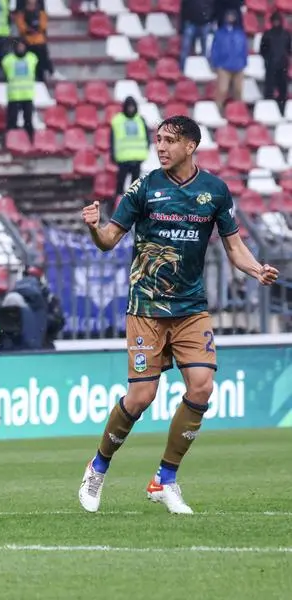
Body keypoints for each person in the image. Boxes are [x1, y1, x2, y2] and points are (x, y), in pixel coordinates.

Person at [77, 116, 279, 515]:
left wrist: (256, 269)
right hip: (147, 309)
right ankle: (97, 467)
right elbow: (108, 241)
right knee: (141, 396)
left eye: (170, 140)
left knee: (202, 387)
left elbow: (233, 246)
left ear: (191, 146)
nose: (161, 146)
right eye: (159, 139)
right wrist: (93, 227)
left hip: (190, 309)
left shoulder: (214, 191)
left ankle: (165, 478)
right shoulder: (144, 188)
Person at [110, 96, 149, 209]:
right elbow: (112, 139)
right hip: (123, 158)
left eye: (132, 107)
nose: (131, 109)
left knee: (135, 184)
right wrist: (113, 154)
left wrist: (145, 151)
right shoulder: (117, 120)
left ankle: (134, 206)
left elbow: (146, 137)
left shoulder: (140, 119)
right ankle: (117, 206)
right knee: (120, 184)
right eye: (129, 107)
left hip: (137, 157)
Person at [209, 9, 247, 108]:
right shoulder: (220, 33)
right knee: (222, 90)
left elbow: (244, 48)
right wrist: (215, 63)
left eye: (232, 16)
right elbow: (215, 49)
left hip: (238, 65)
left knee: (238, 91)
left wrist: (244, 62)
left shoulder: (240, 33)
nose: (230, 18)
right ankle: (218, 110)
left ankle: (238, 111)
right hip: (223, 66)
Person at [2, 39, 37, 142]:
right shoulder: (8, 60)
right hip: (14, 95)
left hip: (27, 95)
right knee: (11, 121)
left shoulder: (32, 58)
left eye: (22, 46)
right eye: (19, 47)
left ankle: (31, 141)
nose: (21, 49)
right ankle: (10, 141)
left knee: (28, 121)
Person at [259, 12, 290, 114]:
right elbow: (262, 50)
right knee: (269, 90)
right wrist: (268, 59)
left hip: (283, 66)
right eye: (274, 20)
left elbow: (289, 49)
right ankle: (268, 112)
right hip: (270, 66)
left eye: (277, 20)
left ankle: (282, 111)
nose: (276, 22)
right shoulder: (267, 34)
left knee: (283, 91)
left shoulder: (286, 35)